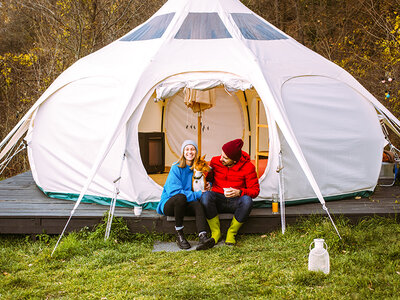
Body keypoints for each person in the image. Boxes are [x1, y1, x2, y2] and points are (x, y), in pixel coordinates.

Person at [156, 140, 214, 250]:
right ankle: (179, 234)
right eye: (187, 149)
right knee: (181, 197)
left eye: (192, 149)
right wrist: (197, 194)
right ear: (183, 152)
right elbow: (174, 192)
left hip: (185, 203)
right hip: (170, 203)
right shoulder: (176, 167)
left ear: (196, 152)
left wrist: (208, 185)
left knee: (197, 204)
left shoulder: (197, 168)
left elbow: (203, 180)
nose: (190, 152)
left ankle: (203, 237)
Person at [201, 139, 260, 245]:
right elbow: (209, 178)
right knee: (206, 196)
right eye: (221, 155)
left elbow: (255, 191)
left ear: (234, 161)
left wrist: (240, 192)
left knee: (247, 201)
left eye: (225, 158)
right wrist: (208, 183)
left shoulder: (248, 167)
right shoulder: (215, 161)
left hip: (235, 202)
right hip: (218, 199)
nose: (221, 159)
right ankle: (216, 232)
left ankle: (231, 233)